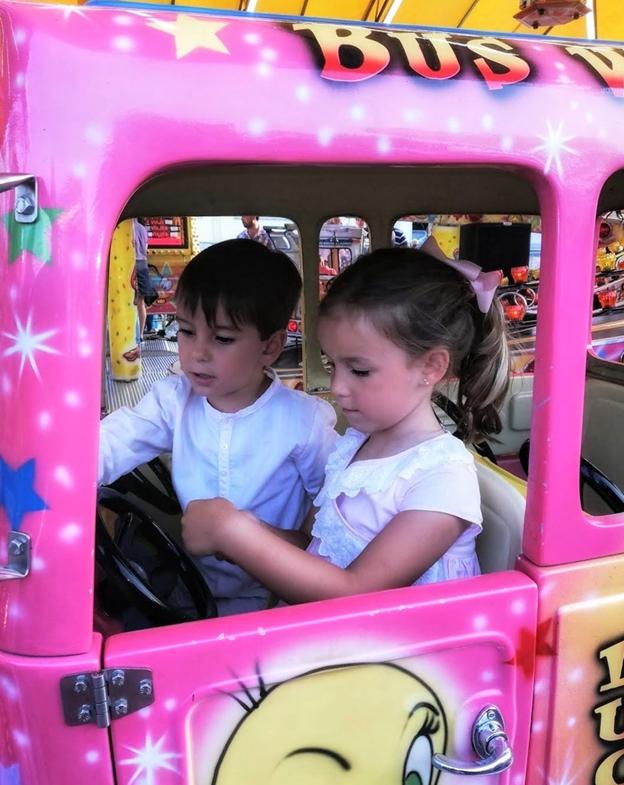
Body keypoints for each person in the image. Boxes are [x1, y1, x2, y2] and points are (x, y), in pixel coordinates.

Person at [181, 241, 509, 605]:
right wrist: (248, 529)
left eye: (360, 370)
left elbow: (355, 592)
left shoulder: (442, 478)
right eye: (333, 364)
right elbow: (314, 548)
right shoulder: (354, 445)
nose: (337, 386)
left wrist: (234, 533)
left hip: (407, 655)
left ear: (431, 367)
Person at [99, 239, 337, 615]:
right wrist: (57, 477)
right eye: (186, 331)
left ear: (270, 347)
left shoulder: (304, 421)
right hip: (189, 582)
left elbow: (336, 508)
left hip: (275, 597)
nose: (198, 353)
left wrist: (297, 540)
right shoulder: (173, 400)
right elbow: (114, 441)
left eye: (222, 338)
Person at [132, 217, 157, 340]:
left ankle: (133, 331)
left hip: (131, 263)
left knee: (133, 301)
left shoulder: (128, 227)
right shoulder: (143, 229)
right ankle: (140, 333)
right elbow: (145, 248)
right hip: (143, 263)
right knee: (140, 302)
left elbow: (131, 244)